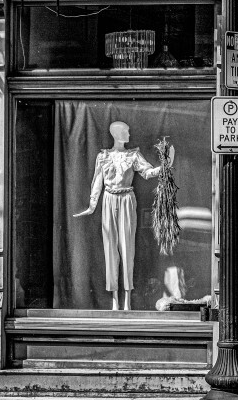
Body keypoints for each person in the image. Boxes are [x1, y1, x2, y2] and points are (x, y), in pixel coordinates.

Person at [74, 121, 174, 311]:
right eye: (126, 131)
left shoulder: (133, 155)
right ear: (116, 134)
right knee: (110, 248)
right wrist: (92, 206)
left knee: (127, 248)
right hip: (109, 199)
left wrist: (165, 167)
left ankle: (127, 299)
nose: (129, 134)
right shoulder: (103, 156)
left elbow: (147, 172)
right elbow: (97, 182)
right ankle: (114, 299)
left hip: (127, 198)